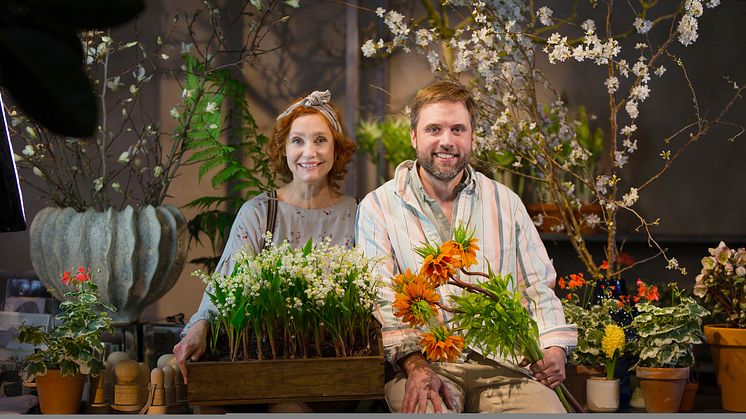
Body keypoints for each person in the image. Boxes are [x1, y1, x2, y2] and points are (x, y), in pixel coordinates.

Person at [355, 79, 578, 413]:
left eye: (458, 129)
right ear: (414, 136)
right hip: (427, 365)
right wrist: (414, 365)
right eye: (434, 129)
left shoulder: (506, 202)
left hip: (508, 366)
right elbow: (379, 294)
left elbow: (537, 287)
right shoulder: (379, 207)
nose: (446, 141)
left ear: (472, 137)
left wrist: (554, 348)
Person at [173, 90, 357, 386]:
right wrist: (201, 325)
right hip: (269, 365)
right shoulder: (259, 213)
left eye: (321, 140)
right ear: (283, 148)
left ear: (337, 148)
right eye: (298, 140)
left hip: (336, 368)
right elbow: (225, 284)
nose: (309, 152)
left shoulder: (356, 213)